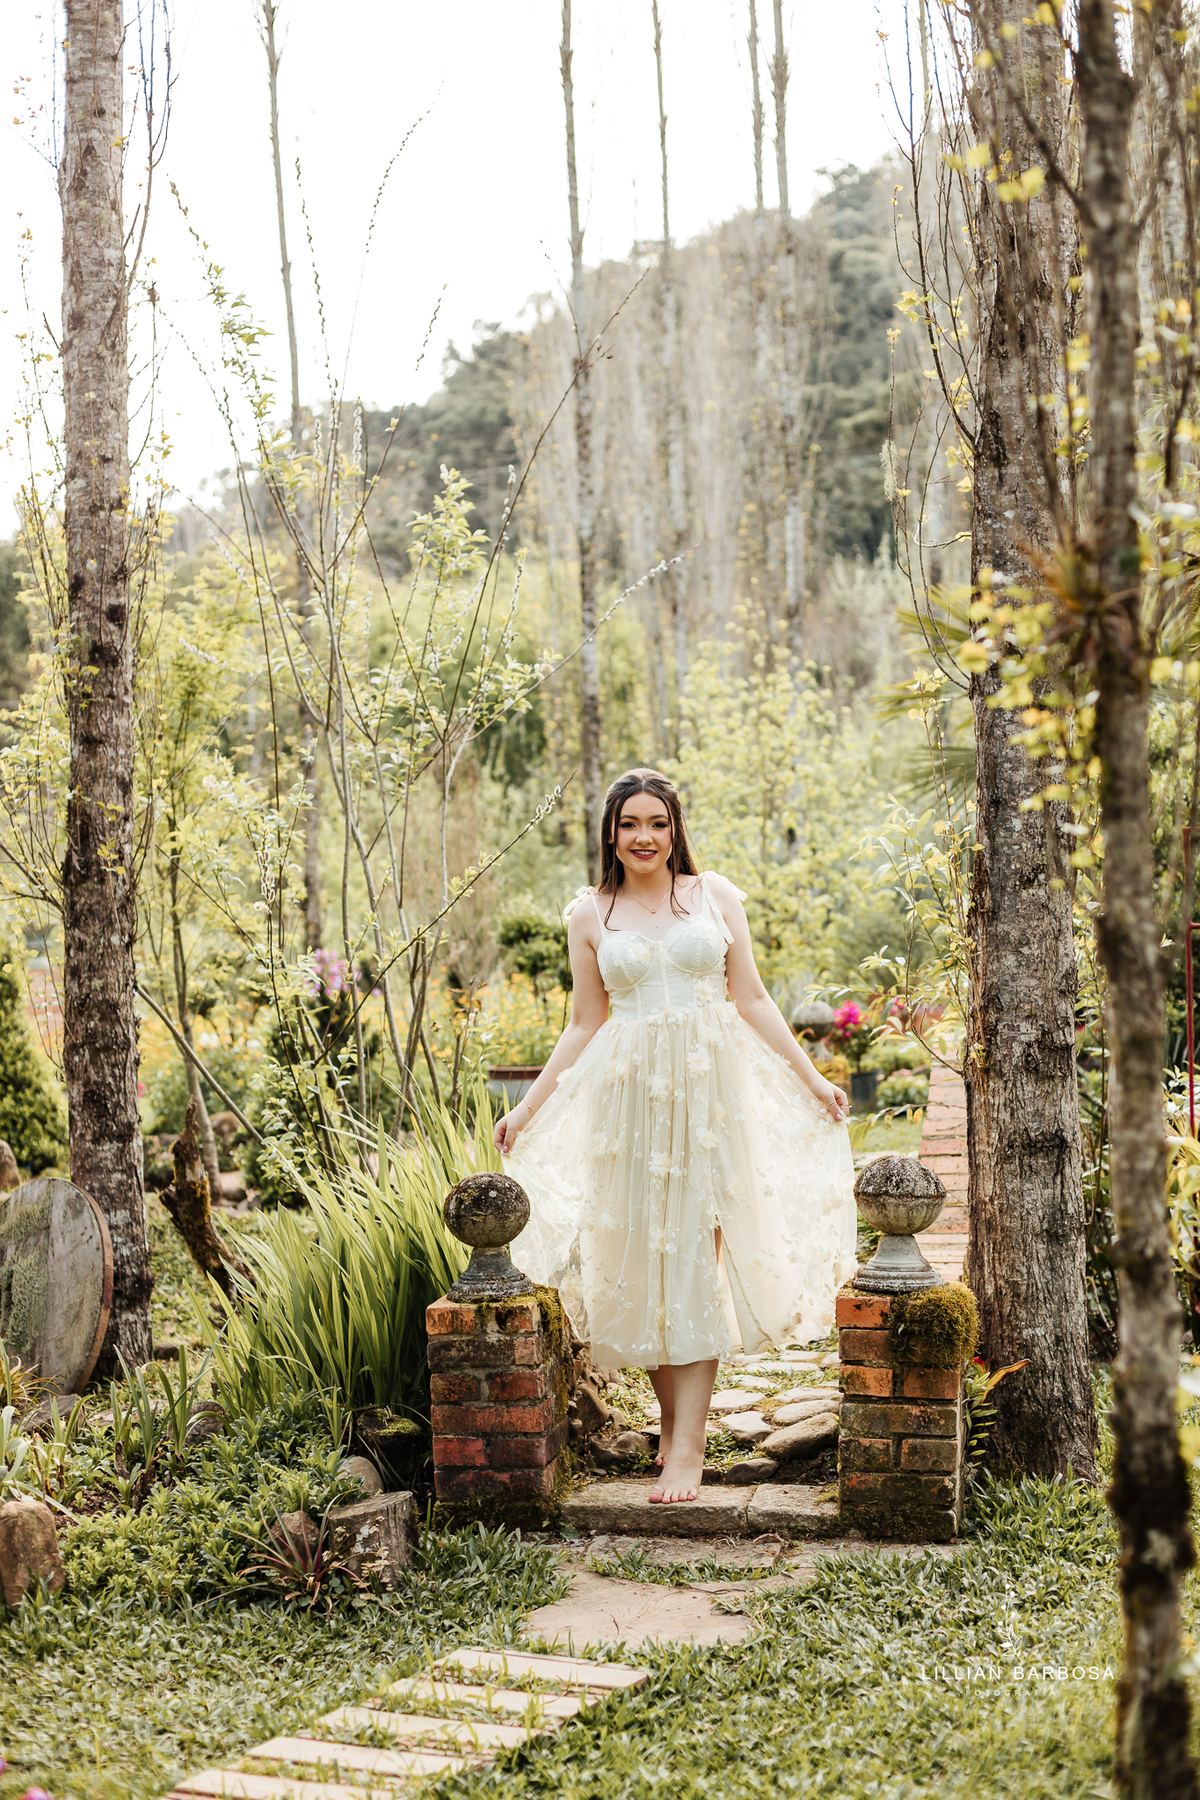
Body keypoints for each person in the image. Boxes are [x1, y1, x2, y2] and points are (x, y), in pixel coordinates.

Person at [494, 767, 856, 1504]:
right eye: (630, 824)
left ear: (675, 828)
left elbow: (750, 998)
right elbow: (585, 1022)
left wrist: (812, 1079)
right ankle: (673, 1424)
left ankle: (685, 1448)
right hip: (627, 1100)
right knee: (640, 1261)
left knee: (696, 1253)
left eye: (657, 823)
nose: (644, 837)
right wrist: (528, 1107)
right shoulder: (591, 914)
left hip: (711, 1095)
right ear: (610, 834)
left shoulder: (713, 896)